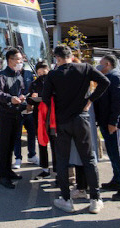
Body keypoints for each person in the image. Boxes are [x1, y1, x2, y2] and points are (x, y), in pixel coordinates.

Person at [42, 45, 109, 214]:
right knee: (88, 159)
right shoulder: (85, 68)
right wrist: (90, 100)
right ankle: (95, 199)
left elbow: (45, 98)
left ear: (57, 58)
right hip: (82, 119)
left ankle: (66, 199)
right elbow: (105, 82)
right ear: (71, 56)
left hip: (62, 122)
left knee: (63, 161)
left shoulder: (53, 74)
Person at [94, 54, 120, 201]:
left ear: (108, 64)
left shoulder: (116, 78)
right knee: (112, 153)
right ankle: (117, 180)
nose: (99, 66)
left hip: (114, 124)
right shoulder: (106, 79)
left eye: (101, 63)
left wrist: (113, 122)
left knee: (119, 154)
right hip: (106, 122)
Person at [0, 48, 34, 189]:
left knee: (11, 144)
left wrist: (24, 99)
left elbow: (22, 91)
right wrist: (11, 98)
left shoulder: (19, 75)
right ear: (9, 60)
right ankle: (2, 176)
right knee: (3, 146)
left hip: (16, 114)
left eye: (21, 59)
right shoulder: (1, 75)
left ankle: (9, 171)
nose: (20, 61)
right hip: (4, 115)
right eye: (17, 59)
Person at [27, 61, 55, 179]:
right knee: (42, 142)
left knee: (55, 143)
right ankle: (45, 168)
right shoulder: (34, 83)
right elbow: (29, 99)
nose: (42, 75)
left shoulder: (55, 81)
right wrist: (32, 98)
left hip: (53, 116)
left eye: (44, 72)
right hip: (39, 117)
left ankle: (58, 170)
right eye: (39, 73)